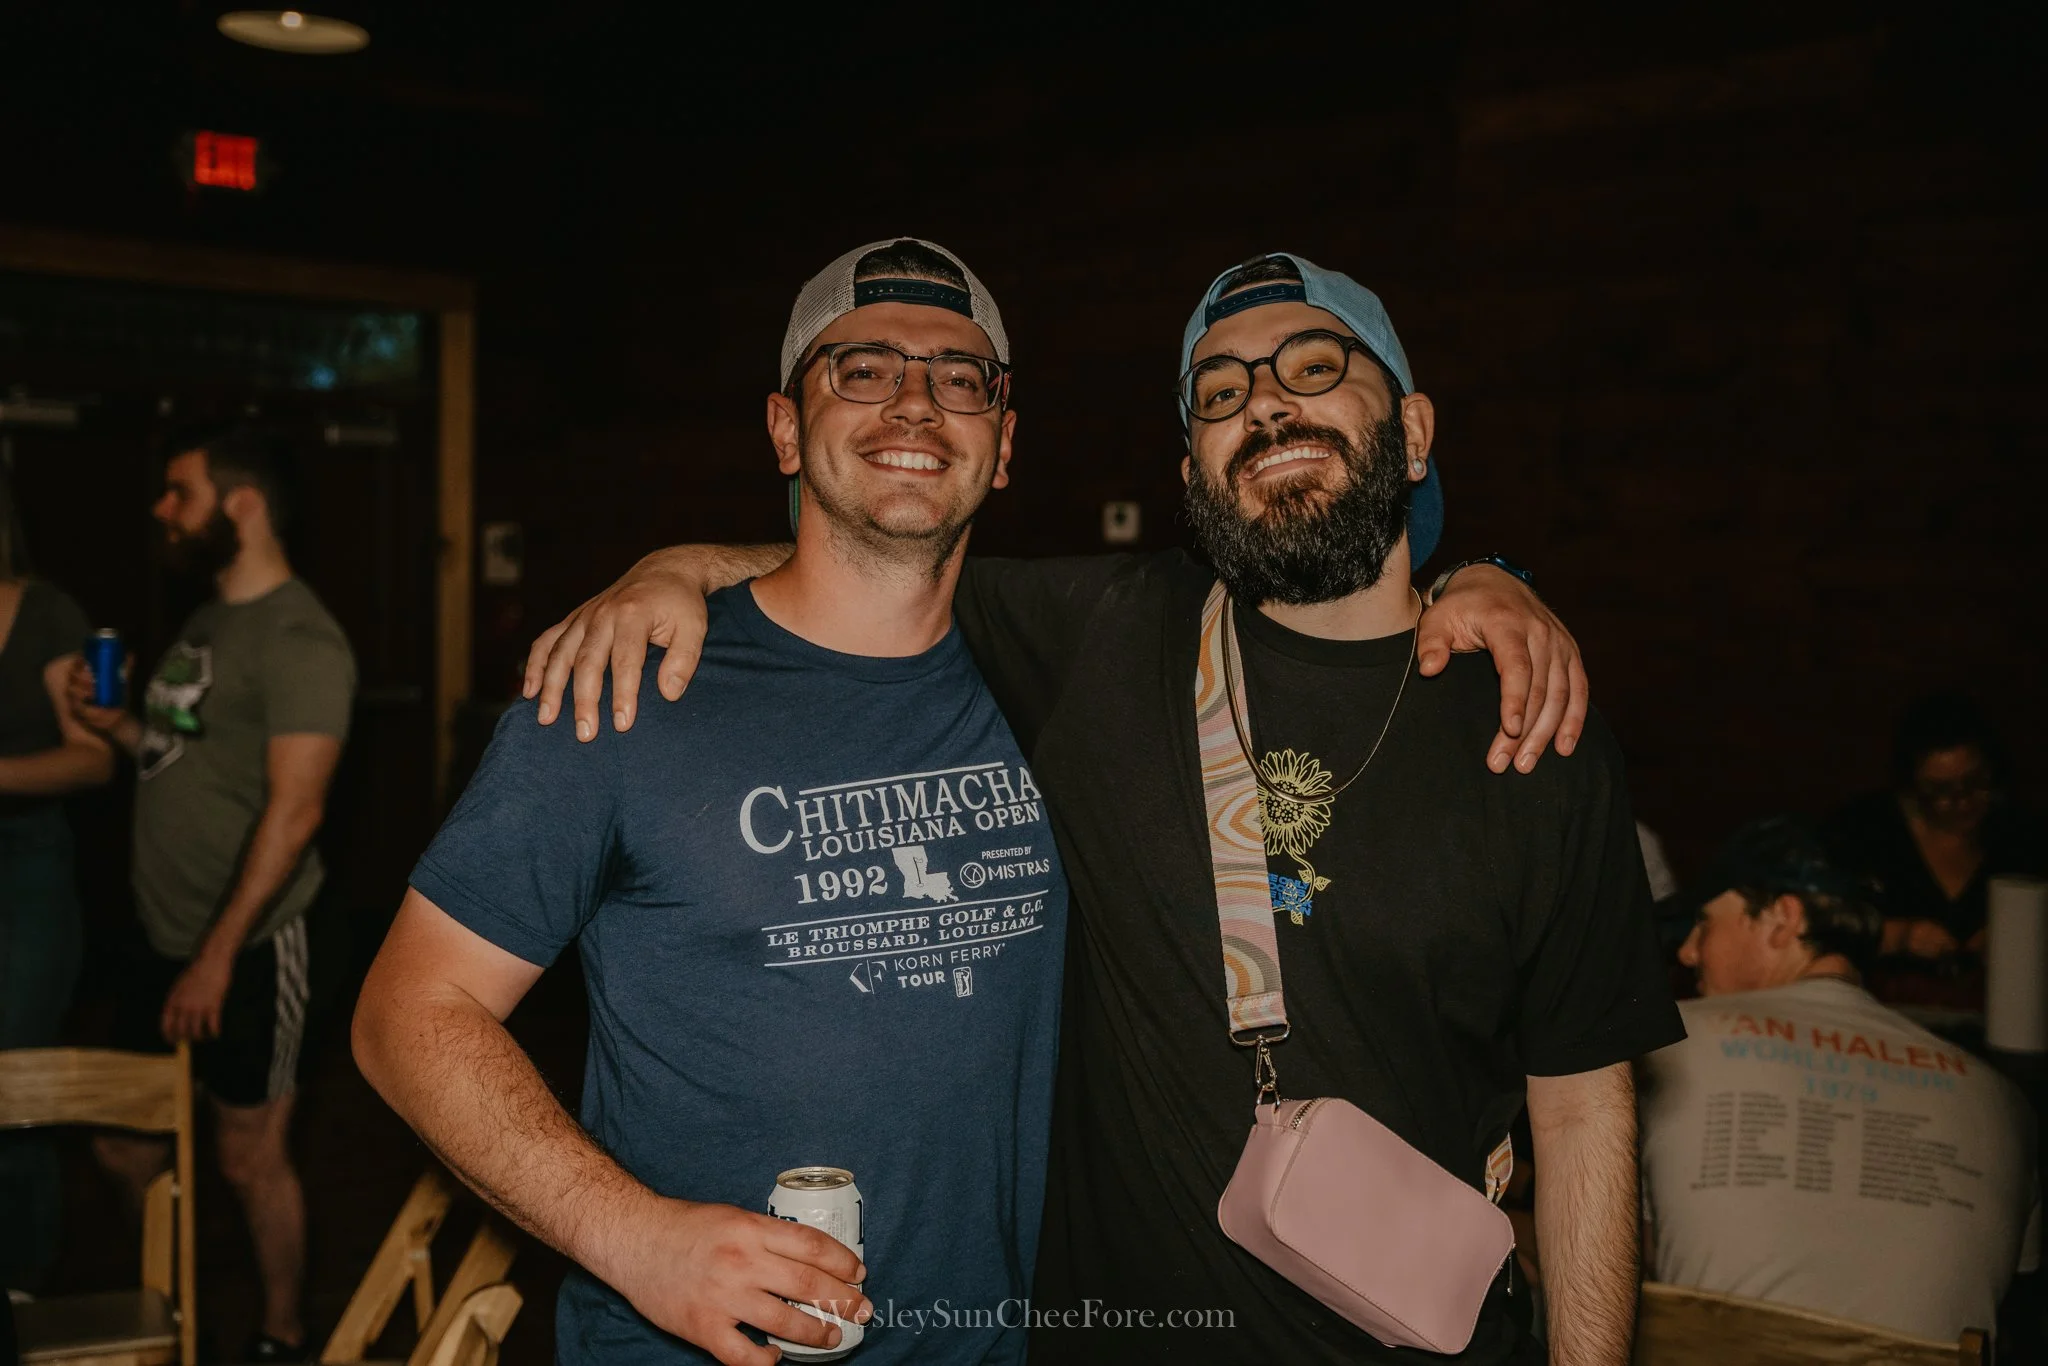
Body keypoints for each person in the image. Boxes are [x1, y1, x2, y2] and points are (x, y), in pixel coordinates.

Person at [526, 251, 1681, 1364]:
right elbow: (872, 546)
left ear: (1415, 431)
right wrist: (671, 566)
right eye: (1220, 393)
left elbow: (1581, 1110)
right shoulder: (1103, 634)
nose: (1268, 404)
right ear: (1190, 469)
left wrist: (1491, 578)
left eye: (1313, 366)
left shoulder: (1532, 722)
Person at [354, 240, 1066, 1366]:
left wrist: (1457, 589)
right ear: (785, 427)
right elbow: (408, 1013)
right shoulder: (624, 684)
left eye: (958, 377)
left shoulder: (1058, 680)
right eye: (862, 370)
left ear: (1004, 442)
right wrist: (635, 1239)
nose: (917, 404)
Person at [66, 426, 355, 1362]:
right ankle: (172, 1305)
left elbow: (297, 812)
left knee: (247, 1156)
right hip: (161, 938)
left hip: (253, 945)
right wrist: (116, 726)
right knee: (122, 1146)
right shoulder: (207, 620)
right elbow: (172, 754)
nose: (162, 509)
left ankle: (280, 1334)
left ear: (242, 503)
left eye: (177, 491)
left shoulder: (303, 639)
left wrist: (216, 957)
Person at [1643, 817, 2040, 1344]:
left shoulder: (1666, 1045)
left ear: (1783, 919)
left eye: (1705, 923)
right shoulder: (2003, 1101)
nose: (1688, 952)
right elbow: (2021, 1310)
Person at [0, 466, 114, 1293]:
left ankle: (23, 1286)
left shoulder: (44, 613)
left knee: (13, 1075)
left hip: (26, 872)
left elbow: (94, 755)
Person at [1823, 693, 2045, 963]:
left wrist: (2020, 937)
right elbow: (1821, 927)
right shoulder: (1864, 830)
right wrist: (1898, 936)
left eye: (1975, 781)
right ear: (1912, 789)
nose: (1962, 800)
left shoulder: (2021, 833)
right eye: (1941, 790)